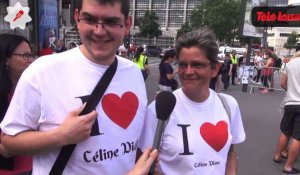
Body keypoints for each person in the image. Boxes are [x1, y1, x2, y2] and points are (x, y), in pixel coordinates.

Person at [0, 0, 156, 174]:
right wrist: (61, 136)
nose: (99, 31)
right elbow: (7, 143)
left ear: (127, 24)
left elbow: (130, 144)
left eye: (111, 21)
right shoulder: (42, 71)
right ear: (76, 18)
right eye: (89, 19)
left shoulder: (134, 73)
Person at [139, 28, 246, 175]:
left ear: (214, 69)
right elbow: (144, 163)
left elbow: (230, 152)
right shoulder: (159, 109)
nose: (188, 72)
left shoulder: (228, 105)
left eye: (197, 65)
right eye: (183, 65)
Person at [0, 33, 35, 174]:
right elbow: (5, 150)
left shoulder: (32, 90)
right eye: (24, 55)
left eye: (31, 55)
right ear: (6, 59)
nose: (30, 60)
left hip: (35, 166)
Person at [273, 50, 300, 175]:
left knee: (285, 131)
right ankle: (288, 167)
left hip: (289, 103)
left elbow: (283, 83)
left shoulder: (290, 63)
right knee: (297, 137)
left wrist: (290, 92)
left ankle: (277, 156)